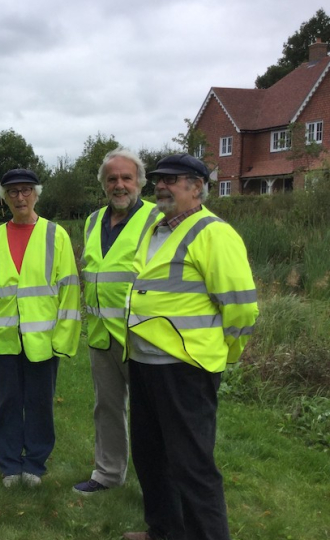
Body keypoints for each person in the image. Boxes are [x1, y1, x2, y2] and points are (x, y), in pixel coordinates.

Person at [122, 154, 258, 540]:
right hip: (144, 359)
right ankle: (164, 530)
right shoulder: (156, 229)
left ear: (197, 187)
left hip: (186, 367)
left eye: (172, 180)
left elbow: (243, 307)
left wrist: (221, 354)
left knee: (192, 465)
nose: (161, 186)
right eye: (158, 181)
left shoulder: (214, 233)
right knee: (150, 457)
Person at [0, 169, 81, 488]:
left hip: (43, 339)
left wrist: (63, 338)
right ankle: (9, 464)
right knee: (6, 403)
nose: (20, 197)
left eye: (25, 190)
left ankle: (34, 462)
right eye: (12, 192)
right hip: (5, 337)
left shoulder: (55, 235)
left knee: (39, 402)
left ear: (36, 193)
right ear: (4, 198)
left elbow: (69, 289)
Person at [73, 149, 161, 496]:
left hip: (142, 334)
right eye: (112, 179)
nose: (119, 185)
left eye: (126, 178)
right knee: (107, 407)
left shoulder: (157, 218)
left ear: (139, 181)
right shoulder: (94, 220)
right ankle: (108, 473)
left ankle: (156, 485)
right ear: (103, 184)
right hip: (101, 334)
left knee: (150, 414)